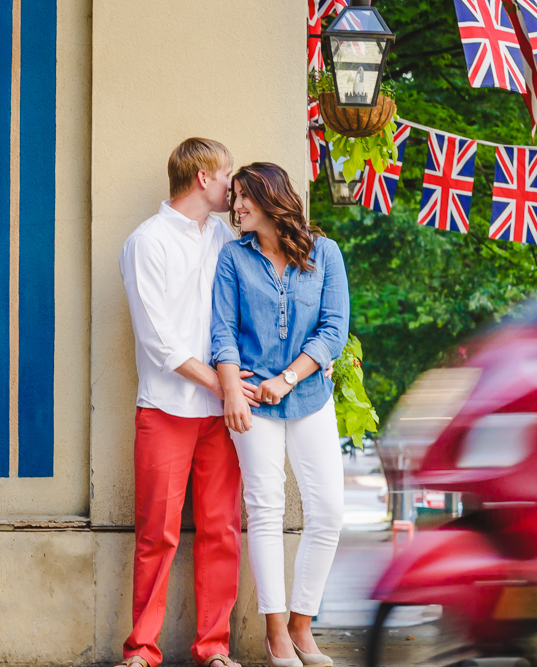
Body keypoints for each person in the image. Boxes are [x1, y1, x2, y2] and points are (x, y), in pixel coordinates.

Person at [118, 138, 259, 667]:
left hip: (222, 414)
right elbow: (160, 341)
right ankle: (141, 650)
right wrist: (224, 385)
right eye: (227, 175)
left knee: (222, 530)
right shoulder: (146, 242)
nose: (233, 186)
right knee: (157, 533)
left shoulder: (226, 237)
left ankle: (214, 648)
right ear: (202, 178)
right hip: (165, 409)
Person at [211, 162, 349, 667]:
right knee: (265, 509)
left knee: (329, 510)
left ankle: (301, 624)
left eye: (246, 197)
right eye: (235, 198)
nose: (238, 206)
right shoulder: (233, 257)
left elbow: (334, 329)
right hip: (251, 400)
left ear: (273, 197)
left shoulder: (325, 252)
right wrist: (232, 388)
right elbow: (222, 331)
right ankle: (275, 634)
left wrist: (287, 378)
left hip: (309, 396)